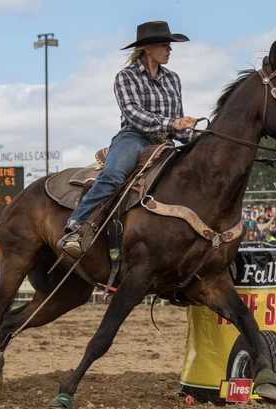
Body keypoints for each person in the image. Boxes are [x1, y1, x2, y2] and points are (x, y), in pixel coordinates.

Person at [59, 21, 196, 258]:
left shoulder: (173, 79)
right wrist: (174, 124)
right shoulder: (126, 77)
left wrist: (194, 137)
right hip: (135, 137)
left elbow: (178, 120)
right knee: (113, 176)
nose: (170, 50)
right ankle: (77, 226)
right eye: (165, 45)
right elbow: (134, 113)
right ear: (147, 49)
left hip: (166, 142)